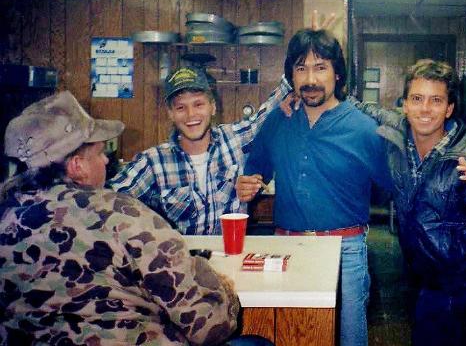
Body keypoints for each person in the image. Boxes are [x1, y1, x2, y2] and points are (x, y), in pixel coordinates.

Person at [0, 91, 270, 345]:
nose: (106, 161)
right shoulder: (125, 215)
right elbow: (208, 326)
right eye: (100, 153)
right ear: (77, 166)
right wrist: (214, 281)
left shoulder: (5, 216)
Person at [236, 29, 390, 346]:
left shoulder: (365, 129)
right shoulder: (278, 121)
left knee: (349, 338)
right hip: (286, 249)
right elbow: (254, 172)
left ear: (337, 73)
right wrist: (247, 184)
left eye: (320, 68)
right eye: (301, 68)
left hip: (345, 251)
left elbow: (395, 187)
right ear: (291, 75)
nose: (310, 79)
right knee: (290, 335)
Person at [350, 59, 466, 345]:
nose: (425, 109)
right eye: (417, 99)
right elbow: (369, 110)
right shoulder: (398, 136)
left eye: (436, 100)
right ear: (404, 105)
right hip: (432, 289)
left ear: (449, 109)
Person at [109, 66, 291, 235]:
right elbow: (105, 201)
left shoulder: (235, 139)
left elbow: (275, 102)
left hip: (230, 253)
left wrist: (296, 86)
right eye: (181, 107)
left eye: (198, 104)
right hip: (180, 257)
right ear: (170, 113)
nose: (191, 115)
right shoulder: (153, 162)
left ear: (213, 107)